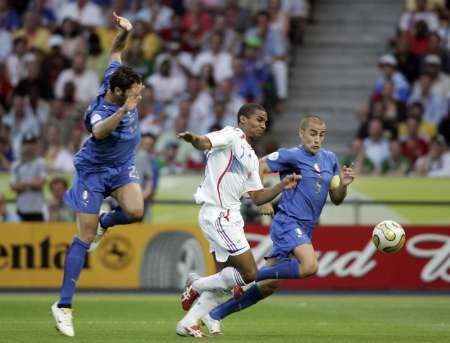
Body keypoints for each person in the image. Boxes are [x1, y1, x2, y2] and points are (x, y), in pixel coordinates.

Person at [185, 115, 355, 335]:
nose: (317, 139)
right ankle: (240, 280)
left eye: (321, 135)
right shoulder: (290, 155)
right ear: (301, 134)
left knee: (268, 287)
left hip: (307, 228)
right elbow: (260, 165)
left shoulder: (329, 159)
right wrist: (262, 196)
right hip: (288, 222)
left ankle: (214, 314)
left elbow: (337, 198)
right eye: (312, 134)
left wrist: (344, 185)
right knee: (310, 266)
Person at [51, 13, 145, 337]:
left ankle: (108, 221)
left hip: (121, 167)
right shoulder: (101, 111)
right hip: (92, 171)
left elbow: (115, 53)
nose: (139, 96)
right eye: (134, 92)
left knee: (135, 212)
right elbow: (101, 133)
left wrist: (125, 33)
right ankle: (63, 306)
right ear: (118, 93)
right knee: (84, 238)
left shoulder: (114, 77)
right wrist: (125, 110)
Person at [175, 103, 300, 337]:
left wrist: (282, 185)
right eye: (259, 119)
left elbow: (258, 196)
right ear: (243, 119)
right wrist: (194, 139)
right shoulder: (232, 135)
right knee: (248, 275)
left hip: (232, 217)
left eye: (265, 121)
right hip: (218, 214)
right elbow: (205, 142)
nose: (263, 125)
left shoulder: (252, 157)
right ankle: (196, 284)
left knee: (227, 282)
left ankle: (187, 322)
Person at [10, 133, 47, 221]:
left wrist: (23, 183)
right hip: (21, 209)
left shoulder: (41, 163)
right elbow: (13, 186)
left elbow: (40, 183)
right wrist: (32, 183)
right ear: (22, 145)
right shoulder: (16, 165)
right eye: (26, 143)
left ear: (36, 145)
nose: (29, 146)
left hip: (37, 209)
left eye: (32, 143)